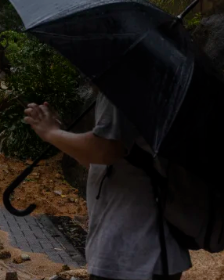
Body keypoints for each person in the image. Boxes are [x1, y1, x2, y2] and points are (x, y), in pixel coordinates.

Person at [23, 94, 191, 280]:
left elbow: (106, 150)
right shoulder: (146, 86)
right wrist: (60, 135)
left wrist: (51, 132)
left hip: (133, 254)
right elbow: (105, 164)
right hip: (144, 253)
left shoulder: (122, 85)